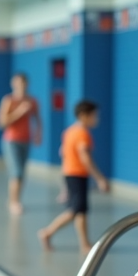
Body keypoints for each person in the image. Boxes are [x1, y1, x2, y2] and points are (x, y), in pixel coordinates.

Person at [38, 100, 109, 254]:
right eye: (94, 115)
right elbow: (85, 158)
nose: (97, 119)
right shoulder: (83, 134)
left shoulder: (69, 131)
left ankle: (84, 243)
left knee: (80, 211)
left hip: (70, 174)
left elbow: (62, 153)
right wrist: (99, 178)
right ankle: (48, 232)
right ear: (84, 116)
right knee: (75, 210)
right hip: (77, 175)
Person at [0, 72, 41, 215]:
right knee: (17, 172)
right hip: (11, 140)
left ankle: (13, 199)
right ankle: (14, 203)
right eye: (17, 83)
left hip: (25, 140)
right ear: (13, 84)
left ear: (27, 84)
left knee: (21, 173)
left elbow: (38, 119)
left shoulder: (32, 101)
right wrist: (20, 111)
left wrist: (38, 134)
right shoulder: (8, 100)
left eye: (23, 83)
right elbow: (1, 123)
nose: (21, 86)